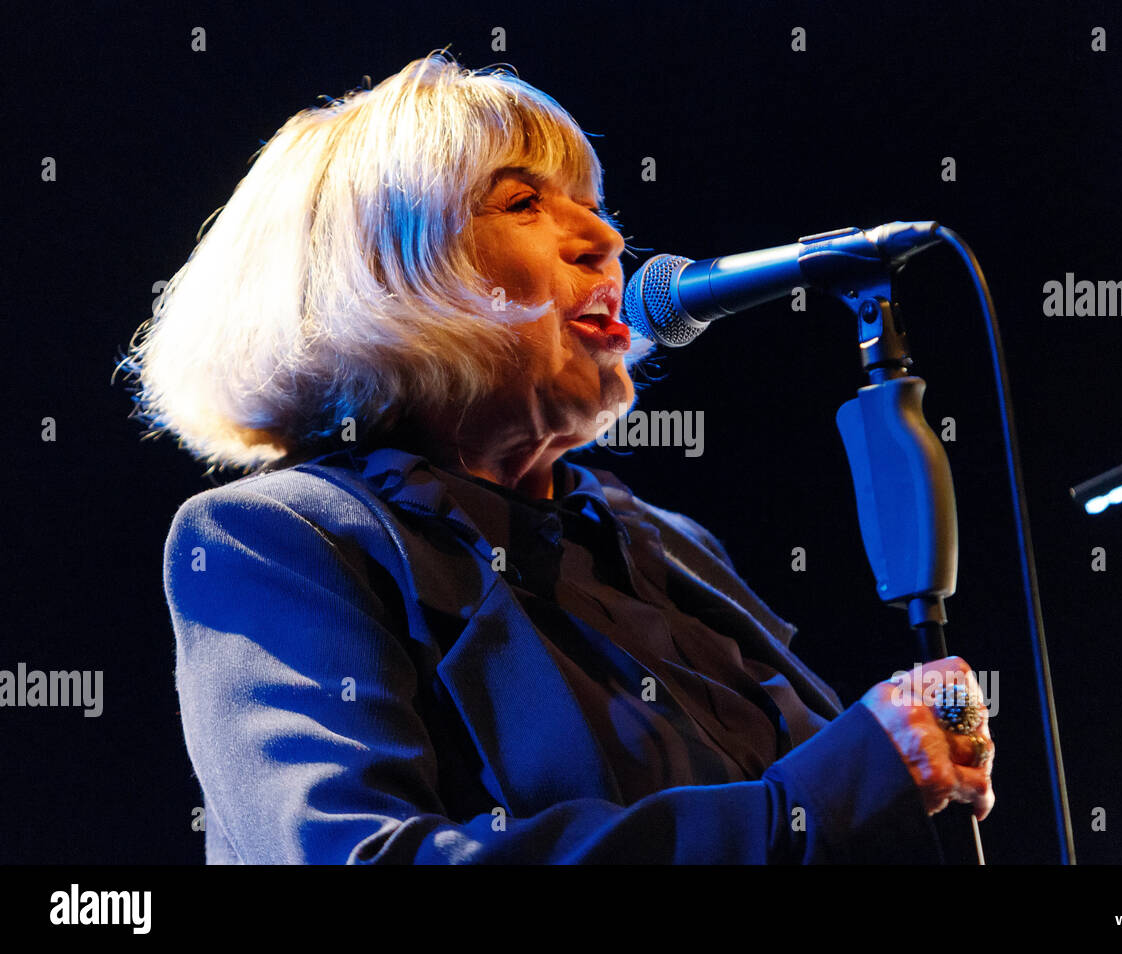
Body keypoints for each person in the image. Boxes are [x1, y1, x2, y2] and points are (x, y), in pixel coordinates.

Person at [121, 53, 994, 864]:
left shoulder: (665, 542)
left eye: (591, 201)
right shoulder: (282, 539)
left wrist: (915, 757)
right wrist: (821, 798)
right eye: (523, 203)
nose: (605, 239)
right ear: (379, 282)